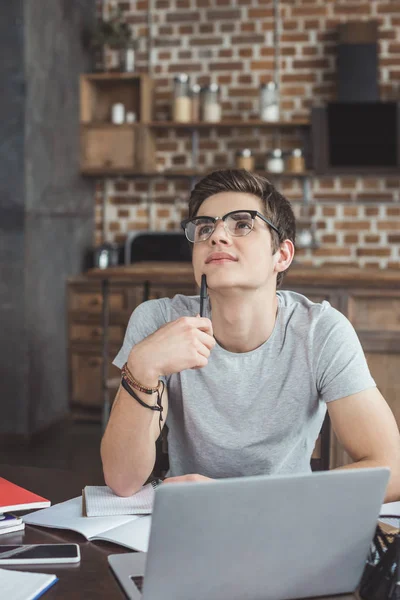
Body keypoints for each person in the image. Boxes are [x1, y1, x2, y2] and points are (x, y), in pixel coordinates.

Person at [101, 169, 400, 501]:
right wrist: (142, 366)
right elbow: (123, 480)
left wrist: (242, 498)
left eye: (242, 224)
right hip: (188, 517)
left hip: (287, 516)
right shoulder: (157, 321)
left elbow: (391, 468)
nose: (216, 236)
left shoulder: (321, 332)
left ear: (282, 255)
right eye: (204, 227)